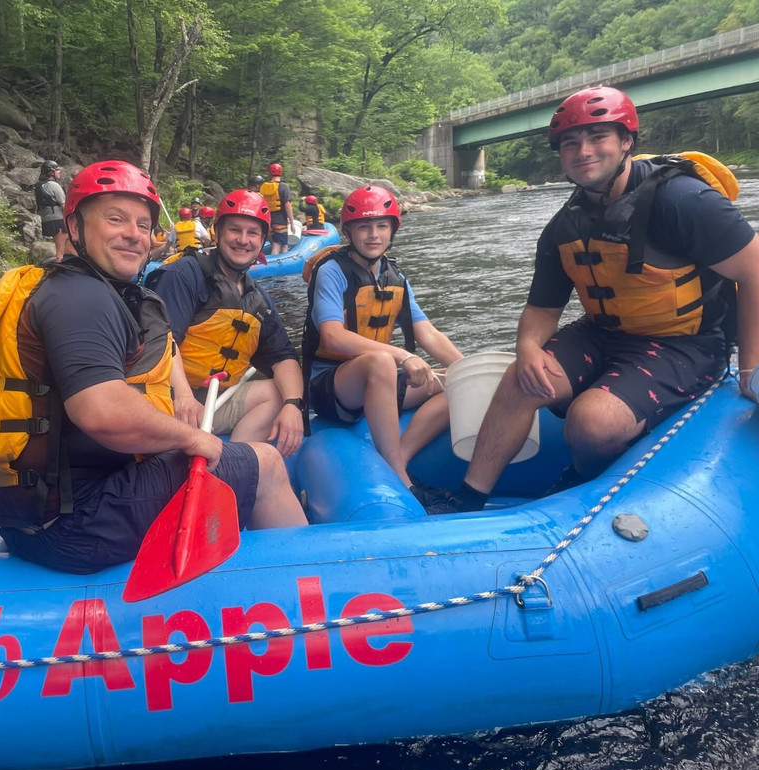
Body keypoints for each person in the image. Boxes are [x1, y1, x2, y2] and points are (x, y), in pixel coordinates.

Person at [430, 85, 759, 515]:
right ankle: (468, 500)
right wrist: (528, 348)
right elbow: (542, 310)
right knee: (520, 377)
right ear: (561, 155)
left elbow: (753, 272)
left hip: (686, 343)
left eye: (597, 137)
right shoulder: (562, 227)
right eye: (571, 142)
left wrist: (750, 369)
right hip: (605, 333)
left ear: (626, 143)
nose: (583, 150)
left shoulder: (685, 201)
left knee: (592, 423)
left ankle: (581, 475)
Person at [0, 160, 307, 574]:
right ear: (74, 227)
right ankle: (311, 588)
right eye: (115, 219)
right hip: (77, 524)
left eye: (143, 225)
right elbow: (103, 411)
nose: (134, 234)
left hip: (38, 518)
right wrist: (197, 439)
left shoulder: (76, 288)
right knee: (267, 464)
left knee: (211, 457)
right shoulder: (80, 299)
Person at [303, 185, 463, 497]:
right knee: (380, 361)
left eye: (381, 226)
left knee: (456, 382)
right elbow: (332, 336)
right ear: (349, 232)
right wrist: (401, 356)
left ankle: (397, 458)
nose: (373, 234)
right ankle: (403, 481)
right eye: (364, 227)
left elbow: (428, 333)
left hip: (382, 381)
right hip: (331, 386)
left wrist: (467, 369)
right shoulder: (332, 272)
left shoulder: (396, 277)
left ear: (392, 231)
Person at [146, 190, 304, 456]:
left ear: (262, 240)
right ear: (217, 232)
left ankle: (235, 461)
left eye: (252, 233)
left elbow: (283, 356)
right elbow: (162, 338)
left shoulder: (258, 300)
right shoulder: (185, 274)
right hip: (168, 399)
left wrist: (293, 404)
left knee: (277, 392)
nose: (243, 240)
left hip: (213, 403)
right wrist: (183, 396)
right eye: (235, 230)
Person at [35, 160, 68, 262]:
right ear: (51, 172)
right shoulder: (54, 185)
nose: (59, 172)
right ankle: (60, 270)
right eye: (57, 170)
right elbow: (64, 205)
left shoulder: (39, 185)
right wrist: (69, 220)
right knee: (61, 251)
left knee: (60, 247)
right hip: (58, 220)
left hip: (47, 220)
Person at [259, 163, 295, 255]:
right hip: (280, 221)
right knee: (281, 246)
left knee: (274, 243)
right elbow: (287, 206)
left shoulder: (264, 187)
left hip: (268, 220)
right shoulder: (284, 186)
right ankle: (279, 268)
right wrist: (291, 222)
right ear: (281, 172)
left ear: (269, 173)